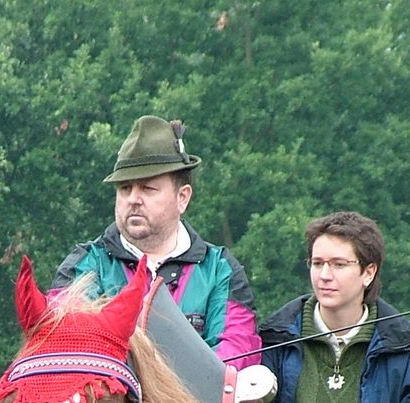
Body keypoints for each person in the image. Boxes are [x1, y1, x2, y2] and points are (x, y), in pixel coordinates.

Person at [51, 115, 257, 367]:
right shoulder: (84, 267)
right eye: (125, 188)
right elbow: (68, 343)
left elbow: (235, 355)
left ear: (183, 198)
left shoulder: (219, 270)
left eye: (148, 188)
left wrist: (164, 394)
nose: (133, 199)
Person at [249, 211, 410, 403]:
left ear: (369, 273)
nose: (324, 275)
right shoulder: (275, 339)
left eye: (339, 264)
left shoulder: (406, 345)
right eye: (317, 263)